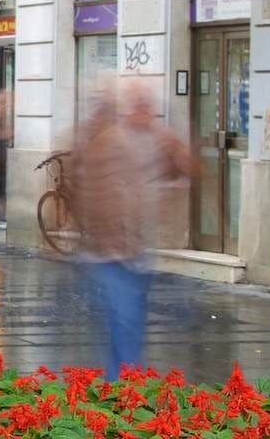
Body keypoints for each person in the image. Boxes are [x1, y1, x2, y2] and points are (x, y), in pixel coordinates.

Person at [69, 78, 199, 377]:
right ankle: (123, 384)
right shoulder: (109, 141)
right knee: (125, 319)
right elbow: (91, 192)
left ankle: (122, 380)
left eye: (148, 103)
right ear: (127, 108)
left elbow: (189, 168)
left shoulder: (159, 140)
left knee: (130, 321)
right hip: (109, 252)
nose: (144, 109)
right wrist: (107, 237)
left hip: (138, 249)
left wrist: (179, 142)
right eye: (138, 103)